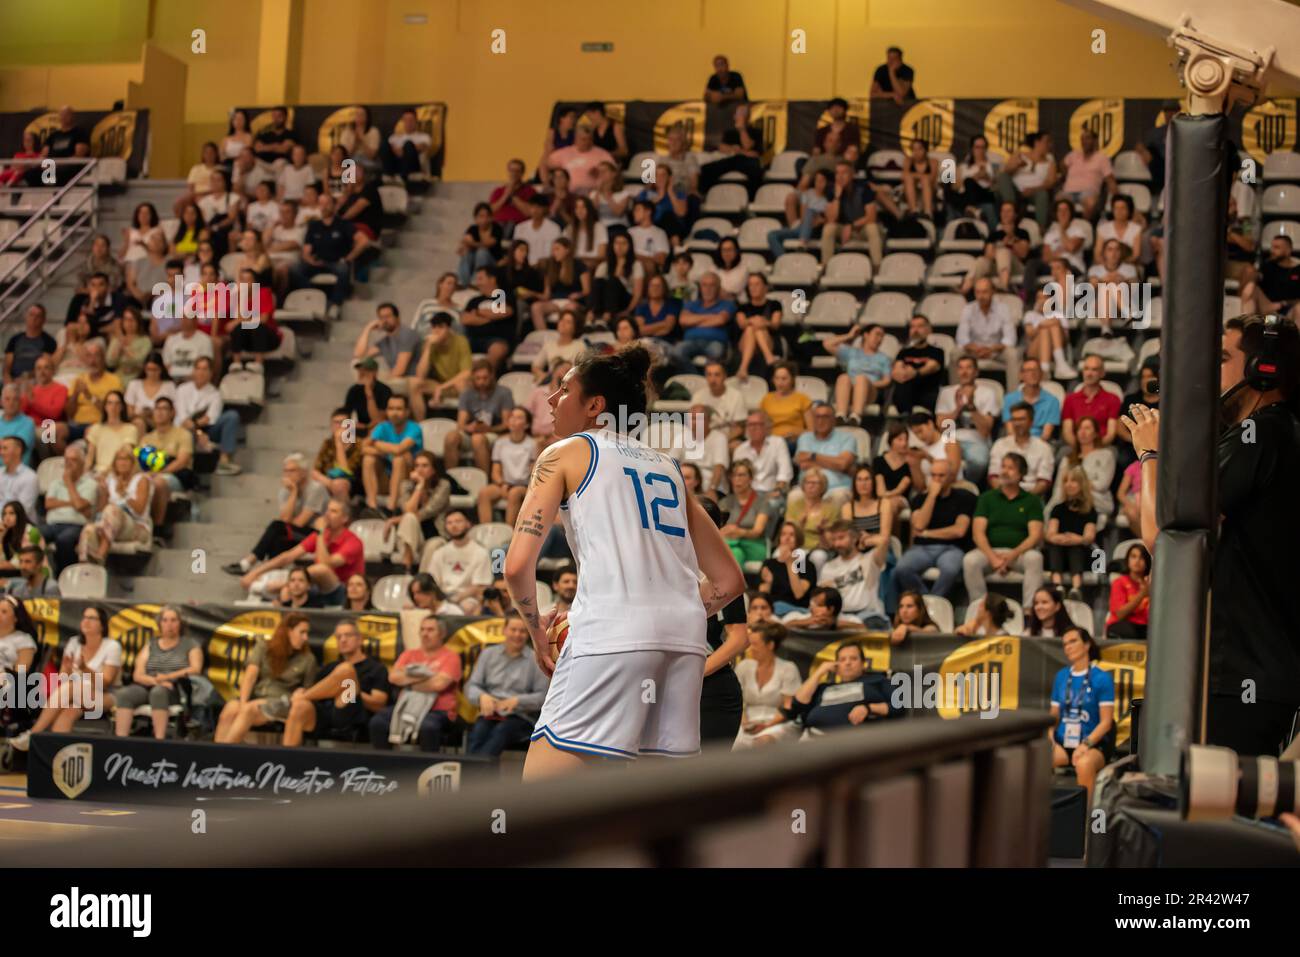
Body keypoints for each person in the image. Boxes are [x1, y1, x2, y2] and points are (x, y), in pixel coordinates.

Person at [502, 344, 745, 777]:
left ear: (595, 405)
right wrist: (677, 611)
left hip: (611, 633)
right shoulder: (669, 465)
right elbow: (729, 580)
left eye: (563, 389)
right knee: (646, 801)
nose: (551, 400)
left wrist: (536, 630)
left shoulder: (564, 452)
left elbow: (517, 566)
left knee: (537, 800)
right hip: (684, 642)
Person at [1122, 314, 1300, 755]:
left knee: (1210, 818)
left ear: (1264, 369)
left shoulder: (1261, 435)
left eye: (1222, 358)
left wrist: (1149, 452)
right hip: (1250, 674)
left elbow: (1162, 537)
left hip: (1240, 677)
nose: (1208, 370)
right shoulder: (1271, 434)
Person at [10, 607, 119, 751]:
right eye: (84, 617)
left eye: (92, 618)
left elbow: (105, 683)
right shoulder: (74, 643)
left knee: (71, 688)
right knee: (67, 713)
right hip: (74, 696)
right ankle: (55, 757)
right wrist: (66, 670)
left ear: (102, 625)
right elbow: (62, 679)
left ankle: (33, 734)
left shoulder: (112, 646)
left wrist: (84, 668)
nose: (86, 621)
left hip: (104, 696)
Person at [282, 619, 391, 747]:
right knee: (299, 706)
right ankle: (286, 762)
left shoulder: (376, 668)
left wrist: (350, 688)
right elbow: (316, 690)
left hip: (351, 710)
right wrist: (303, 692)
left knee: (346, 671)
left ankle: (303, 696)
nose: (343, 640)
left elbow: (378, 703)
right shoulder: (329, 667)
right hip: (326, 712)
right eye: (339, 637)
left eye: (348, 635)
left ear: (360, 639)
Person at [214, 613, 318, 744]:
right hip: (256, 697)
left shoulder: (308, 659)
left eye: (307, 633)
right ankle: (215, 756)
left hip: (283, 702)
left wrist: (302, 692)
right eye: (302, 632)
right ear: (288, 631)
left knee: (249, 710)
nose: (305, 638)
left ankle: (223, 754)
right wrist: (243, 702)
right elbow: (250, 676)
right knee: (230, 709)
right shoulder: (264, 647)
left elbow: (309, 690)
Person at [223, 453, 329, 577]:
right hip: (295, 534)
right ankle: (267, 577)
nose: (288, 475)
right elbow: (286, 520)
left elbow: (298, 523)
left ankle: (248, 563)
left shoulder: (316, 489)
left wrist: (293, 492)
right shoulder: (285, 491)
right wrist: (293, 493)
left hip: (316, 535)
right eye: (285, 471)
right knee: (279, 539)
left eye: (292, 471)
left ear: (303, 472)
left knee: (277, 527)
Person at [964, 452, 1045, 607]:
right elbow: (978, 533)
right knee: (970, 561)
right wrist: (993, 557)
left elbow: (1035, 535)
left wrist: (1012, 555)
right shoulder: (987, 498)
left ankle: (1029, 611)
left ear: (1021, 474)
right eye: (1003, 467)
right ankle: (980, 609)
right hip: (989, 552)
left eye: (1011, 468)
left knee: (1035, 558)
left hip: (1019, 553)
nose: (1005, 471)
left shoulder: (1031, 501)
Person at [370, 615, 461, 752]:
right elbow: (393, 677)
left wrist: (409, 682)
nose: (425, 634)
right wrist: (426, 676)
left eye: (430, 630)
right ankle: (385, 767)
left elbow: (439, 685)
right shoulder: (409, 654)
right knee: (378, 722)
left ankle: (428, 770)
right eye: (422, 630)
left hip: (438, 711)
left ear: (442, 634)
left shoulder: (451, 657)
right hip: (406, 706)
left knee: (427, 727)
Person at [111, 606, 203, 740]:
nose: (169, 624)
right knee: (125, 694)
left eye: (173, 620)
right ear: (160, 624)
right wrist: (156, 681)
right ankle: (120, 741)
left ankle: (159, 741)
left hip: (175, 687)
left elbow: (196, 668)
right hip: (149, 683)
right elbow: (138, 674)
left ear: (180, 623)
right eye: (165, 620)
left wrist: (168, 677)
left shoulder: (190, 644)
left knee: (158, 692)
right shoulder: (151, 644)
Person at [466, 612, 550, 755]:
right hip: (491, 712)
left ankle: (473, 774)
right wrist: (481, 697)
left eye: (522, 631)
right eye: (513, 630)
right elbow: (471, 685)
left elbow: (543, 697)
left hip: (521, 717)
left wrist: (518, 701)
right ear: (504, 630)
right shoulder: (488, 654)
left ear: (528, 634)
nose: (517, 635)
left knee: (501, 732)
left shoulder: (535, 659)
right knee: (478, 732)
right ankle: (479, 773)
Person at [1050, 626, 1116, 802]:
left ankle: (1086, 821)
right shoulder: (1061, 676)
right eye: (1065, 644)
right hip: (1064, 742)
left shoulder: (1102, 678)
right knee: (1039, 758)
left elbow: (1106, 722)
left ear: (1087, 645)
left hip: (1093, 743)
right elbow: (1053, 717)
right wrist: (1050, 740)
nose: (1068, 647)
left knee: (1084, 763)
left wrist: (1085, 744)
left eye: (1073, 641)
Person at [895, 457, 976, 599]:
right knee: (902, 568)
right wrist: (932, 496)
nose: (936, 480)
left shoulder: (965, 498)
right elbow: (919, 525)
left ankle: (934, 602)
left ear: (951, 477)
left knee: (950, 570)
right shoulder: (919, 499)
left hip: (952, 548)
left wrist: (926, 533)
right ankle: (924, 602)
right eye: (933, 475)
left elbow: (959, 531)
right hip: (922, 548)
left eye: (941, 475)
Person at [790, 642, 899, 736]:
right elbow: (798, 703)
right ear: (836, 666)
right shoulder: (824, 687)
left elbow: (899, 705)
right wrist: (819, 672)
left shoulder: (877, 680)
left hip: (852, 740)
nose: (847, 663)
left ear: (863, 664)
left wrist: (868, 708)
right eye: (842, 660)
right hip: (812, 736)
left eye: (853, 658)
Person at [816, 506, 895, 630]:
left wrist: (867, 541)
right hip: (842, 617)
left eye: (841, 538)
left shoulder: (870, 560)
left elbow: (884, 541)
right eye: (834, 539)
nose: (837, 544)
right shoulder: (828, 567)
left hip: (868, 615)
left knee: (874, 624)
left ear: (854, 538)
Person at [732, 622, 802, 748]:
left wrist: (765, 726)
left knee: (763, 742)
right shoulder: (744, 666)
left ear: (770, 645)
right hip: (747, 722)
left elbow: (789, 707)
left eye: (754, 644)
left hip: (778, 723)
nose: (749, 649)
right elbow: (737, 702)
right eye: (749, 644)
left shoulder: (788, 668)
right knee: (732, 741)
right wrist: (745, 723)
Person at [174, 356, 242, 474]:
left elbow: (210, 418)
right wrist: (197, 432)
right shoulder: (182, 389)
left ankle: (224, 460)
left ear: (210, 373)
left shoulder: (215, 394)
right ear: (193, 371)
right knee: (187, 431)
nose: (201, 372)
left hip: (207, 430)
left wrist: (199, 431)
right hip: (183, 429)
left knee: (232, 416)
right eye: (198, 368)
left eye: (205, 369)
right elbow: (183, 417)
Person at [39, 444, 100, 574]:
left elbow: (79, 505)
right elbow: (48, 504)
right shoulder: (55, 483)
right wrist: (74, 502)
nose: (68, 464)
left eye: (73, 460)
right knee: (33, 534)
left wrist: (69, 484)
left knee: (64, 540)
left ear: (82, 463)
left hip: (76, 525)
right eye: (66, 460)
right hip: (52, 524)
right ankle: (39, 574)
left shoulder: (91, 484)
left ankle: (63, 574)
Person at [387, 450, 451, 573]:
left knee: (434, 544)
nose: (420, 470)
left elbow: (427, 512)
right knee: (409, 518)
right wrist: (419, 486)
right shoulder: (406, 485)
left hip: (435, 536)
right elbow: (408, 511)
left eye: (425, 466)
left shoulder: (443, 485)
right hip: (410, 538)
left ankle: (420, 582)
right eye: (417, 466)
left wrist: (395, 520)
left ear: (433, 470)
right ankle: (407, 567)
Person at [444, 358, 513, 472]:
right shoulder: (467, 394)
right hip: (472, 433)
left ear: (492, 375)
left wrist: (489, 429)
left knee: (478, 439)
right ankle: (451, 479)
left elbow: (507, 424)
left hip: (495, 433)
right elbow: (460, 425)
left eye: (485, 378)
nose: (481, 382)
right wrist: (469, 427)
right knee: (451, 437)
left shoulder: (504, 393)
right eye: (478, 378)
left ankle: (483, 481)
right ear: (472, 378)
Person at [360, 394, 422, 517]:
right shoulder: (382, 427)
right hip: (386, 477)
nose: (394, 413)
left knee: (399, 459)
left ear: (407, 412)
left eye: (398, 409)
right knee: (368, 459)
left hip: (408, 479)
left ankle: (391, 508)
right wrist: (383, 451)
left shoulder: (414, 428)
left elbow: (399, 449)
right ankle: (372, 507)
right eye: (391, 409)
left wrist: (376, 443)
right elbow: (363, 448)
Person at [423, 509, 493, 614]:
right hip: (442, 596)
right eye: (449, 523)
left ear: (468, 524)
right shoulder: (440, 552)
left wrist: (456, 598)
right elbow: (433, 581)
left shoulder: (480, 552)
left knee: (467, 607)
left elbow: (480, 586)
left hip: (468, 598)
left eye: (458, 521)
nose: (454, 525)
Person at [477, 407, 537, 525]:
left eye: (519, 418)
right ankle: (486, 531)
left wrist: (520, 486)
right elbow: (495, 470)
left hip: (524, 486)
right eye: (512, 417)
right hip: (504, 484)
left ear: (526, 425)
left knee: (514, 493)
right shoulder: (500, 443)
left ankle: (509, 535)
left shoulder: (532, 444)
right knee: (484, 493)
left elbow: (534, 472)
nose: (514, 420)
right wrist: (502, 483)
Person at [1044, 465, 1098, 597]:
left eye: (1073, 481)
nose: (1069, 485)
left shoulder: (1089, 510)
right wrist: (1063, 538)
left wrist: (1075, 539)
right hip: (1059, 550)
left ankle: (1076, 588)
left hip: (1082, 552)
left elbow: (1089, 536)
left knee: (1076, 548)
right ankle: (1058, 586)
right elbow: (1050, 534)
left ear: (1082, 485)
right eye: (1066, 481)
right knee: (1054, 546)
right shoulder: (1058, 509)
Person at [824, 322, 892, 426]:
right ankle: (840, 415)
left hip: (870, 391)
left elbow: (887, 380)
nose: (880, 338)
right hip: (849, 389)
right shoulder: (852, 352)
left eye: (882, 336)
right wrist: (849, 335)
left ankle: (856, 417)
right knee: (843, 377)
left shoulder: (883, 358)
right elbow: (827, 344)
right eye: (877, 334)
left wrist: (867, 384)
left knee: (861, 379)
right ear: (866, 335)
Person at [989, 402, 1054, 496]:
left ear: (1031, 422)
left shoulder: (1044, 448)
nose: (1017, 423)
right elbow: (993, 477)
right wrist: (1008, 496)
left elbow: (1043, 482)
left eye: (1021, 419)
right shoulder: (1000, 445)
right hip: (1002, 495)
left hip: (1031, 497)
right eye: (1014, 419)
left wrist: (1023, 500)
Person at [716, 461, 772, 567]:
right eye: (733, 475)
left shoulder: (762, 502)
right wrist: (727, 532)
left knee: (728, 550)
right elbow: (717, 528)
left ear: (750, 478)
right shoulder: (725, 502)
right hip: (731, 546)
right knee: (736, 552)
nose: (737, 479)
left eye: (741, 475)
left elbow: (757, 531)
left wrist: (738, 532)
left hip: (754, 545)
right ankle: (737, 583)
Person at [890, 315, 945, 414]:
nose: (915, 330)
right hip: (906, 391)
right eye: (912, 327)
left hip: (927, 392)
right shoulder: (904, 352)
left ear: (929, 330)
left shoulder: (937, 351)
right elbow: (897, 371)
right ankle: (905, 420)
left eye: (920, 326)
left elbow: (931, 367)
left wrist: (914, 372)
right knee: (902, 386)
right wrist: (904, 373)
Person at [760, 521, 817, 616]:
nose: (787, 538)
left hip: (796, 610)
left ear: (798, 539)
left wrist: (790, 564)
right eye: (783, 534)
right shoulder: (769, 563)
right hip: (772, 610)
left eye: (792, 535)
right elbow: (762, 597)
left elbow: (798, 594)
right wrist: (768, 583)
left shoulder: (806, 565)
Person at [732, 411, 793, 497]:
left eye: (757, 424)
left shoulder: (778, 443)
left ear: (766, 427)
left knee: (772, 504)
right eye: (750, 425)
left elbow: (785, 473)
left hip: (773, 492)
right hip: (748, 496)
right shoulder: (740, 450)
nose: (753, 428)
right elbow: (737, 478)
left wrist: (777, 491)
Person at [1106, 542, 1151, 641]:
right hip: (1122, 625)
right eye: (1133, 556)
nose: (1137, 561)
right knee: (1129, 631)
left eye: (1141, 557)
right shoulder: (1119, 582)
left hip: (1145, 626)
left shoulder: (1151, 585)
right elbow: (1120, 614)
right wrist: (1142, 594)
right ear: (1127, 560)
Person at [4, 304, 57, 383]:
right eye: (31, 315)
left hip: (35, 380)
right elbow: (6, 369)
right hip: (13, 380)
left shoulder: (49, 341)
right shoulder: (15, 339)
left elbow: (45, 367)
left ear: (43, 320)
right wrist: (9, 382)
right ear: (26, 317)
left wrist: (25, 378)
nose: (34, 318)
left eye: (38, 316)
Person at [0, 437, 37, 520]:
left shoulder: (30, 477)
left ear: (18, 450)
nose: (1, 452)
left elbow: (22, 511)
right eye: (1, 448)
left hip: (21, 527)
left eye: (5, 448)